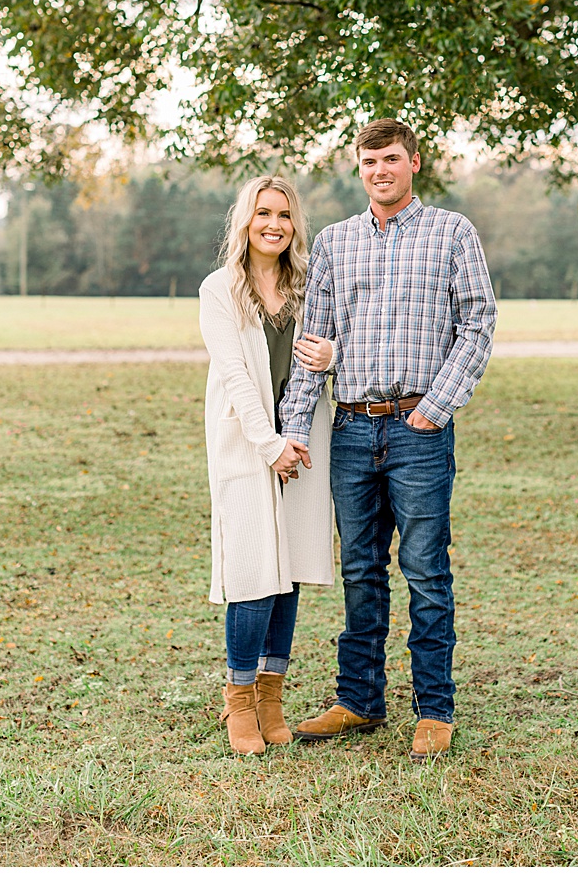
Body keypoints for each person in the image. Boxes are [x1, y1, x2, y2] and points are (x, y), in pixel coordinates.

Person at [278, 119, 496, 762]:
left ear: (413, 163)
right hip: (350, 428)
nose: (380, 170)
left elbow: (478, 325)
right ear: (359, 168)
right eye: (369, 161)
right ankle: (360, 700)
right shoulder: (335, 245)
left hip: (417, 428)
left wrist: (434, 409)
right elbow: (311, 351)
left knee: (426, 570)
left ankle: (435, 708)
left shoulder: (452, 233)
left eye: (392, 159)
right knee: (360, 571)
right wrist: (293, 431)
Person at [198, 176, 337, 754]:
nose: (274, 224)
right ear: (245, 221)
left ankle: (272, 697)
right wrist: (268, 443)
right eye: (263, 214)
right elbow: (234, 374)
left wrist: (334, 354)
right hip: (247, 443)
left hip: (304, 442)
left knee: (291, 570)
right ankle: (238, 704)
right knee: (254, 572)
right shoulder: (219, 290)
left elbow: (336, 347)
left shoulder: (309, 286)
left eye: (284, 214)